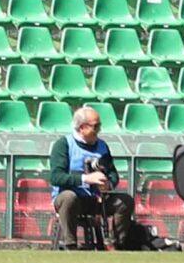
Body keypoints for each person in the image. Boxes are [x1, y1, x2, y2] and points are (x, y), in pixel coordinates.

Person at [50, 106, 130, 249]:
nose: (99, 130)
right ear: (82, 128)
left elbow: (113, 173)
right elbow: (56, 177)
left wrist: (108, 184)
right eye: (95, 126)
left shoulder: (102, 146)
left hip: (97, 200)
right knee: (68, 197)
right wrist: (85, 179)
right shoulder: (63, 145)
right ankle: (71, 245)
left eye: (99, 126)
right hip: (71, 200)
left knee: (125, 201)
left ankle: (118, 245)